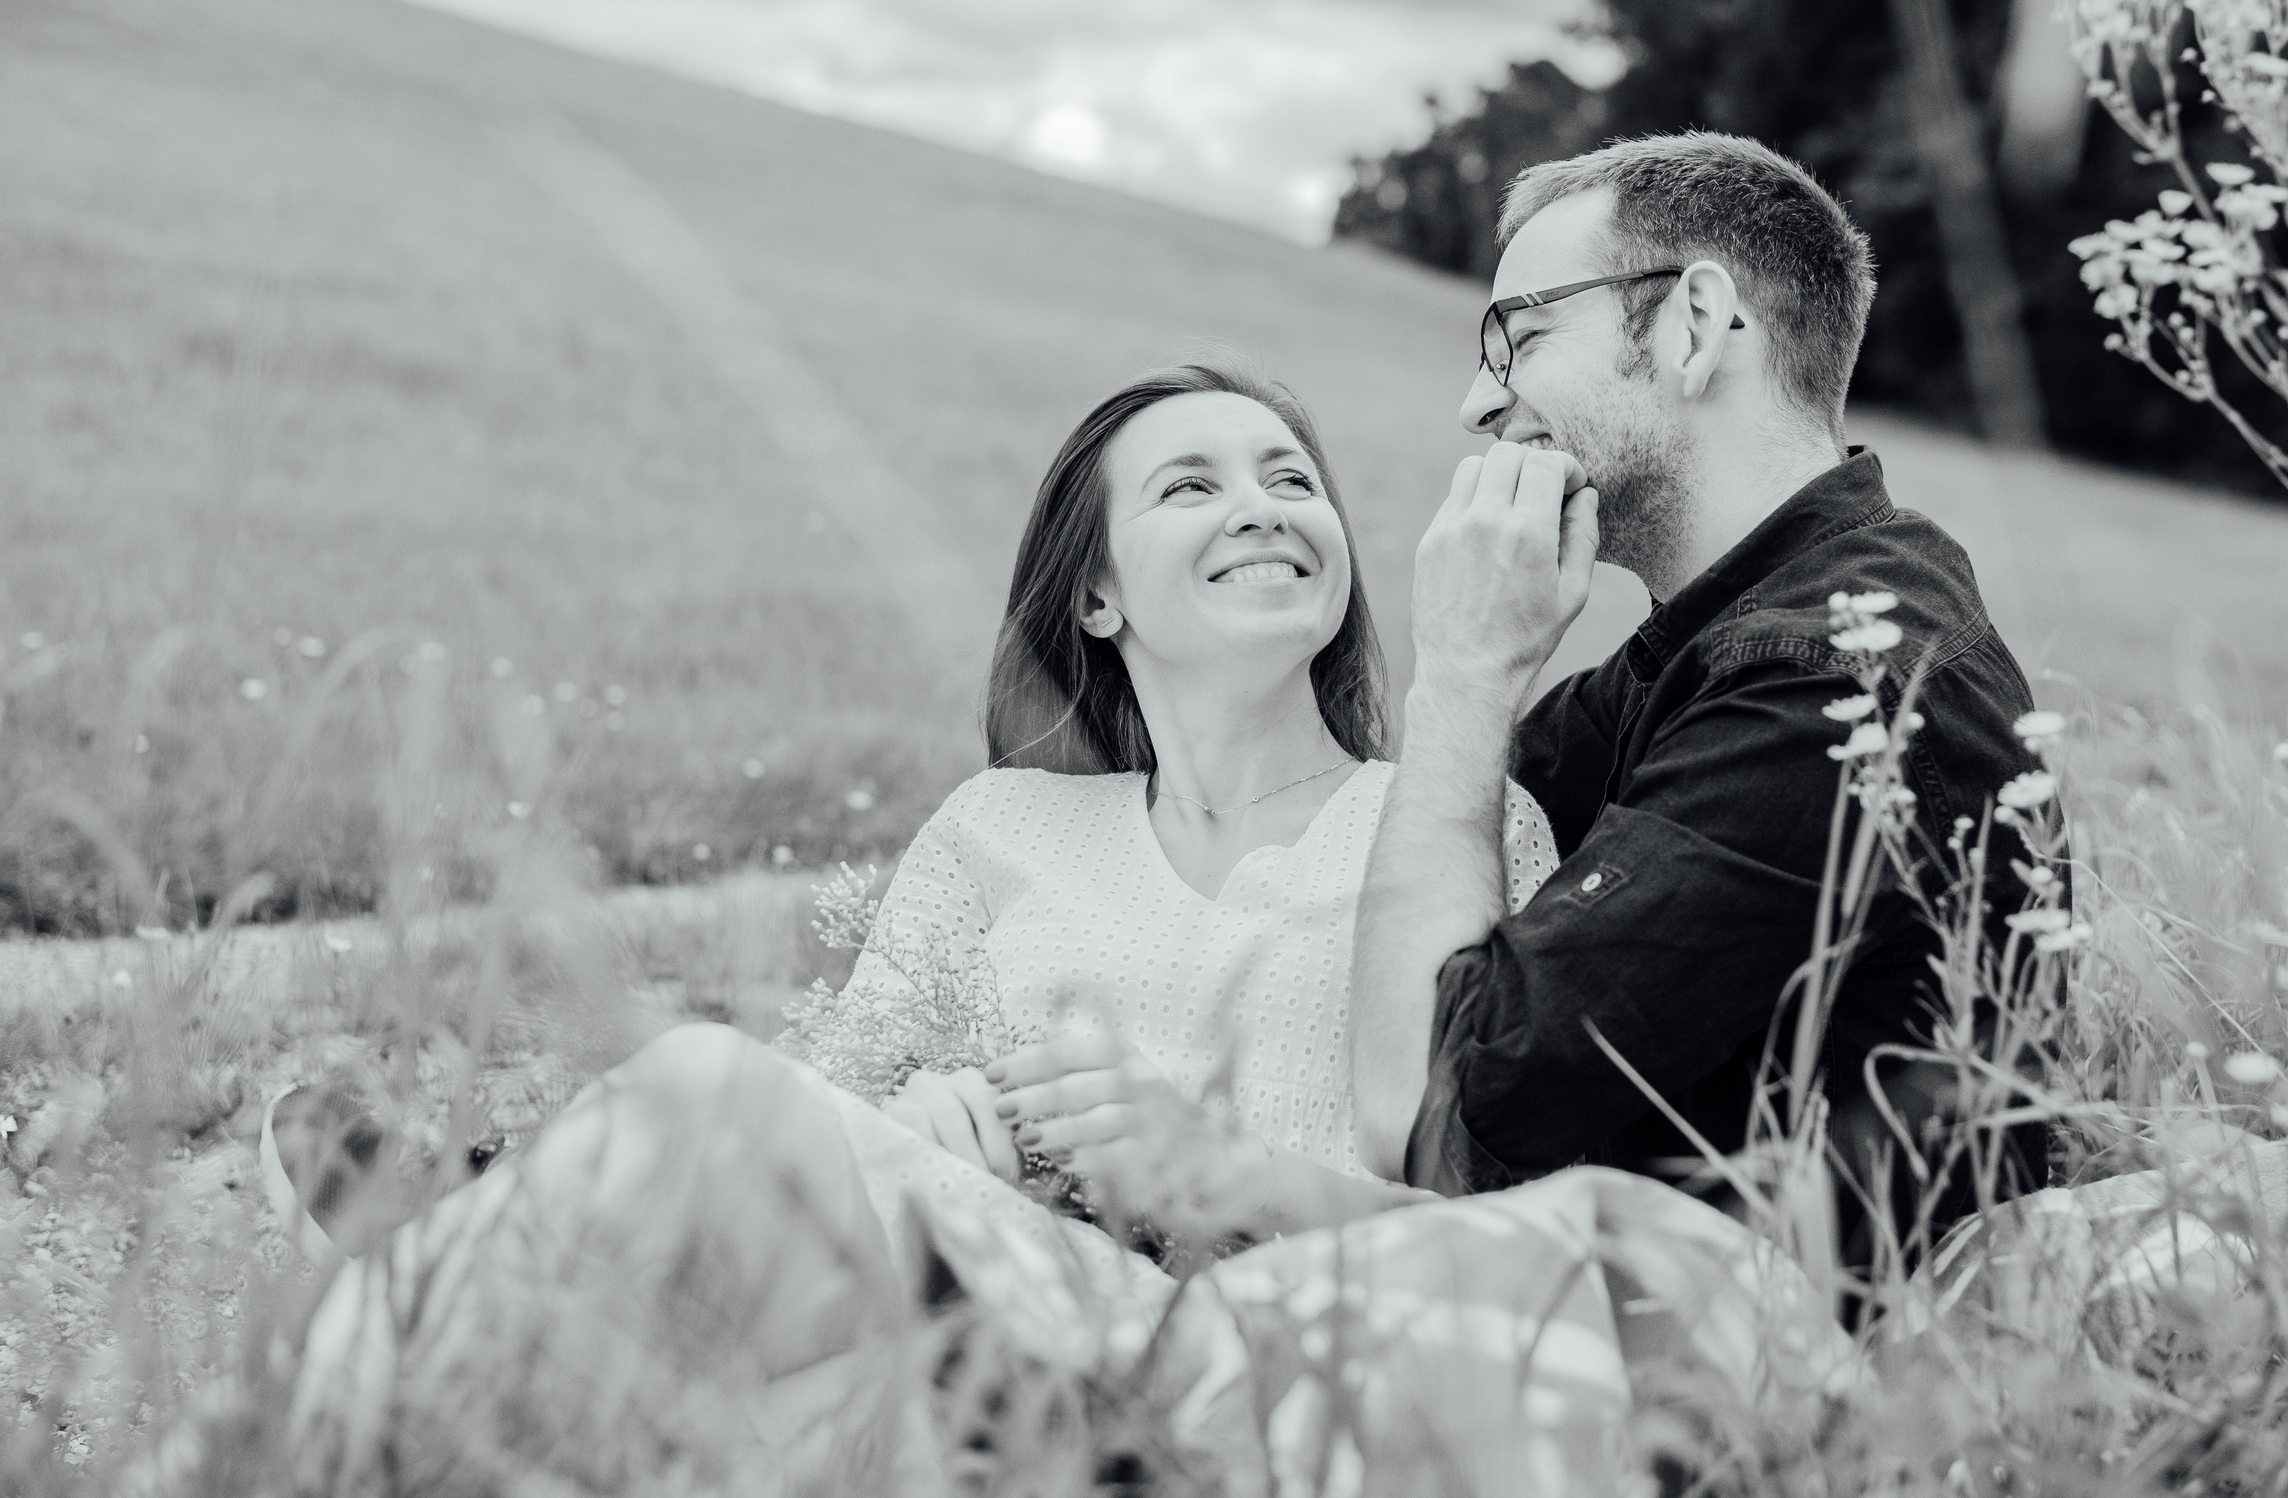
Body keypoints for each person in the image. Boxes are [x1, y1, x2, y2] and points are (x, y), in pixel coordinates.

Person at [265, 363, 1861, 1498]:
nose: (1266, 505)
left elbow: (1486, 1221)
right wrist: (916, 1125)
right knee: (728, 1177)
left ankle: (448, 1248)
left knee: (693, 1097)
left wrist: (1217, 1177)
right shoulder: (1000, 830)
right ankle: (446, 1308)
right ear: (1098, 596)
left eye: (1293, 478)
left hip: (1238, 1336)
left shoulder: (1450, 826)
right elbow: (830, 1109)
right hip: (990, 1295)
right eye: (1194, 483)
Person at [1351, 131, 2057, 1279]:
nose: (1477, 404)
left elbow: (1427, 1114)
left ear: (1693, 325)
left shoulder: (1828, 686)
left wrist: (1464, 670)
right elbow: (1389, 864)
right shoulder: (1738, 627)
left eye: (1520, 337)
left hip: (1784, 1407)